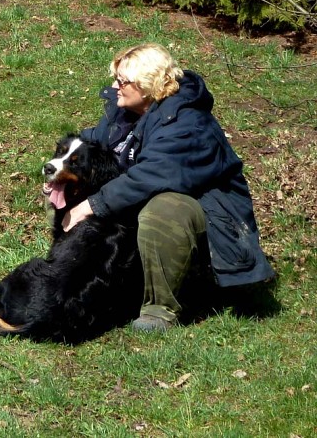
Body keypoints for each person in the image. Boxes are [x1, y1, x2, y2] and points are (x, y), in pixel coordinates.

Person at [62, 43, 275, 332]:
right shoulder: (125, 113)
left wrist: (91, 205)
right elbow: (94, 146)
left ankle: (160, 310)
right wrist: (62, 168)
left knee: (160, 209)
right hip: (163, 210)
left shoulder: (187, 123)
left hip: (209, 222)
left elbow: (151, 175)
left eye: (122, 81)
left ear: (147, 86)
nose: (115, 86)